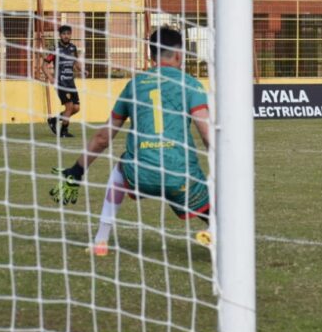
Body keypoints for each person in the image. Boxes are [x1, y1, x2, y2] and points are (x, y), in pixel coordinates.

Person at [50, 27, 212, 255]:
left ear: (151, 55)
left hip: (140, 173)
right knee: (214, 206)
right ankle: (216, 230)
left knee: (119, 169)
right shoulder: (191, 84)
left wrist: (77, 170)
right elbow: (206, 134)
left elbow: (103, 137)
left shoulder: (134, 85)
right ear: (179, 55)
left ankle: (100, 241)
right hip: (180, 174)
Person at [44, 25, 85, 138]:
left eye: (68, 34)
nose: (66, 36)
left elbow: (75, 62)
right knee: (69, 107)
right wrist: (50, 77)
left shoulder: (73, 48)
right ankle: (63, 131)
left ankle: (54, 120)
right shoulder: (55, 49)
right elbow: (44, 66)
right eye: (64, 34)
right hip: (61, 83)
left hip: (71, 83)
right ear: (60, 35)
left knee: (76, 108)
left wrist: (82, 70)